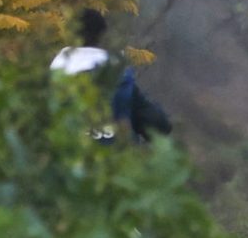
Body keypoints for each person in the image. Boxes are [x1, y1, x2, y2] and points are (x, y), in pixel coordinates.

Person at [49, 8, 172, 143]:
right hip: (120, 159)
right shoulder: (121, 79)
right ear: (102, 36)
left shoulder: (50, 83)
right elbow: (159, 125)